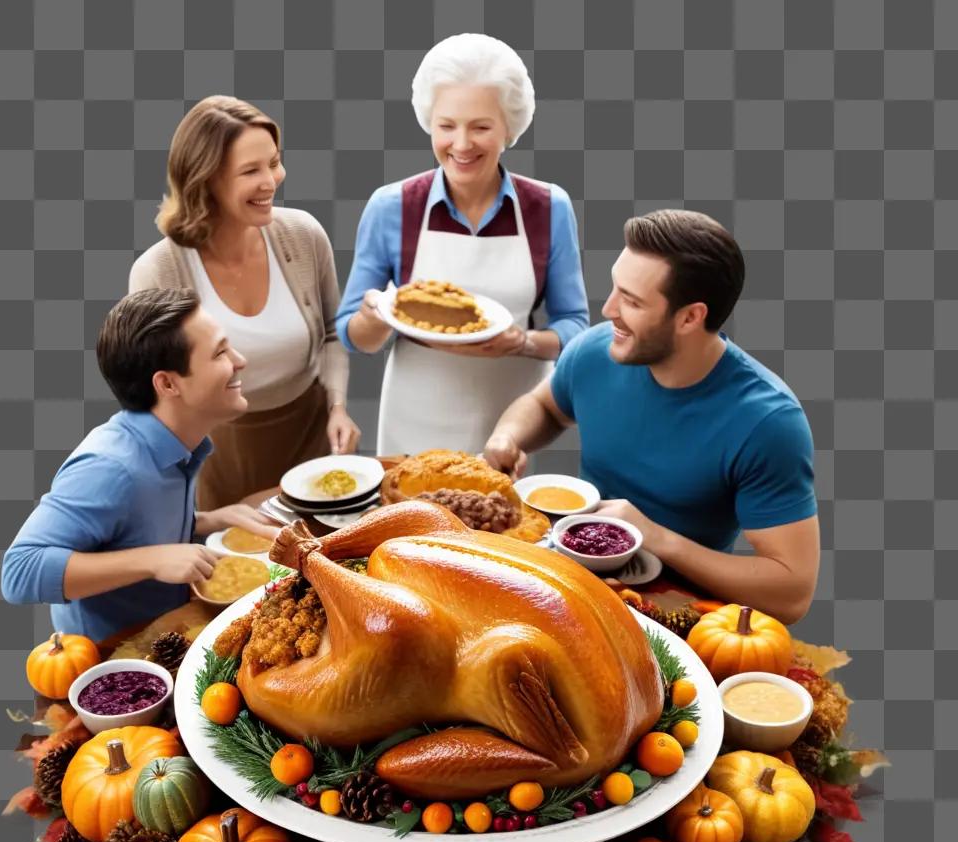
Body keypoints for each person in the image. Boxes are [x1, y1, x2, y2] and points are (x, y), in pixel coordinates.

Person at [483, 210, 819, 624]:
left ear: (690, 317)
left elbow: (792, 592)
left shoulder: (769, 423)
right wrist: (508, 437)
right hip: (574, 582)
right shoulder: (594, 351)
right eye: (614, 289)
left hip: (680, 615)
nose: (607, 310)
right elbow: (544, 406)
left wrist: (658, 537)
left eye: (632, 301)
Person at [337, 33, 589, 455]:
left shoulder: (549, 208)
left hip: (514, 426)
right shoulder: (391, 207)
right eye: (447, 125)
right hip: (414, 420)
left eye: (481, 127)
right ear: (428, 122)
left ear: (509, 127)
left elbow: (574, 327)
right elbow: (352, 336)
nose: (461, 144)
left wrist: (522, 342)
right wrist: (375, 315)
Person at [1, 289, 281, 643]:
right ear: (167, 383)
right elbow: (19, 572)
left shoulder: (177, 443)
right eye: (220, 352)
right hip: (115, 662)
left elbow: (128, 528)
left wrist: (213, 519)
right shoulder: (109, 468)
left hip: (172, 630)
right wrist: (153, 559)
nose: (239, 360)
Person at [129, 96, 360, 510]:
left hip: (312, 439)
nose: (272, 181)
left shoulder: (304, 236)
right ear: (206, 180)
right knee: (238, 568)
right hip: (215, 458)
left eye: (274, 162)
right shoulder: (158, 272)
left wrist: (338, 407)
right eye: (250, 171)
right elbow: (153, 396)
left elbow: (331, 332)